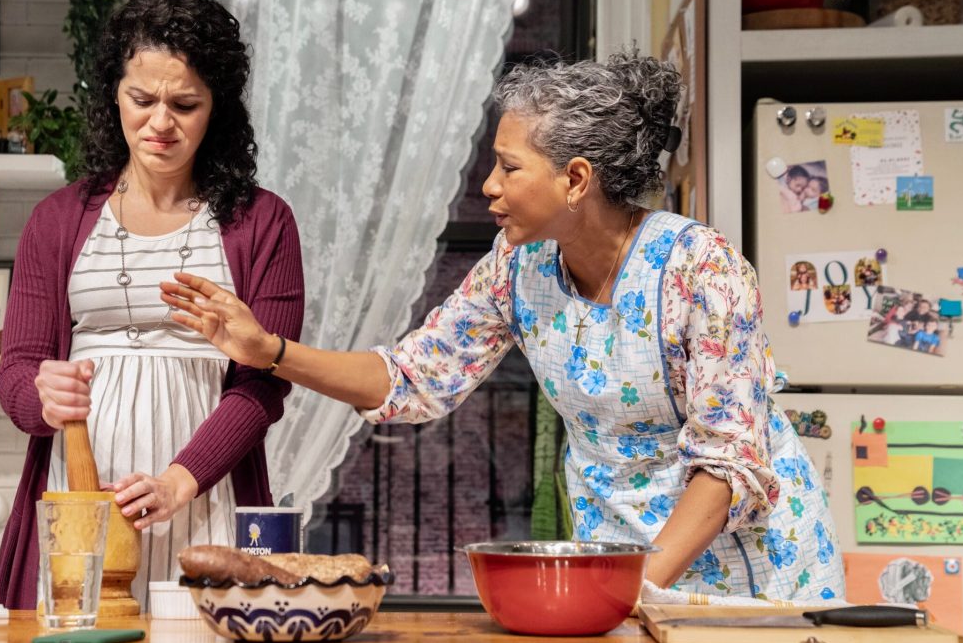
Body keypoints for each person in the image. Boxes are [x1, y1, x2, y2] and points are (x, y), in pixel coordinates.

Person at [164, 51, 845, 602]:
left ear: (576, 179)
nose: (488, 184)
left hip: (752, 573)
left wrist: (638, 589)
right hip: (621, 565)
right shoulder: (517, 269)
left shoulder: (703, 268)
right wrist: (267, 350)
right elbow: (410, 379)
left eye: (509, 166)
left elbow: (728, 462)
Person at [0, 0, 304, 610]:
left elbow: (263, 385)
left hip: (206, 499)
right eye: (142, 99)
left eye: (185, 104)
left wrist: (178, 481)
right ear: (114, 95)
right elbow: (17, 373)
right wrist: (41, 395)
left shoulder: (263, 222)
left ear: (217, 109)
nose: (161, 122)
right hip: (77, 499)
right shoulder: (57, 220)